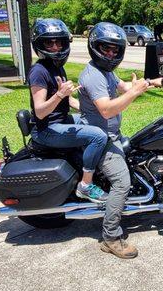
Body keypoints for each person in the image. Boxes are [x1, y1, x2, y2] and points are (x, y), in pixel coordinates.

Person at [78, 22, 163, 259]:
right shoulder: (94, 75)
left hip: (111, 135)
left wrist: (151, 82)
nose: (110, 53)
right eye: (105, 49)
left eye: (115, 50)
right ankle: (111, 237)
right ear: (94, 47)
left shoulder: (106, 71)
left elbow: (124, 86)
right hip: (101, 139)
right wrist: (134, 93)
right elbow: (106, 110)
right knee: (121, 183)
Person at [27, 18, 109, 203]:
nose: (55, 47)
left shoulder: (57, 67)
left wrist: (92, 109)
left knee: (95, 121)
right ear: (40, 44)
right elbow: (40, 111)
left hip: (61, 121)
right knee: (98, 136)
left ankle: (92, 166)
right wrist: (59, 94)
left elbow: (68, 99)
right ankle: (86, 185)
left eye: (59, 42)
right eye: (50, 42)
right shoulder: (39, 72)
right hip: (46, 130)